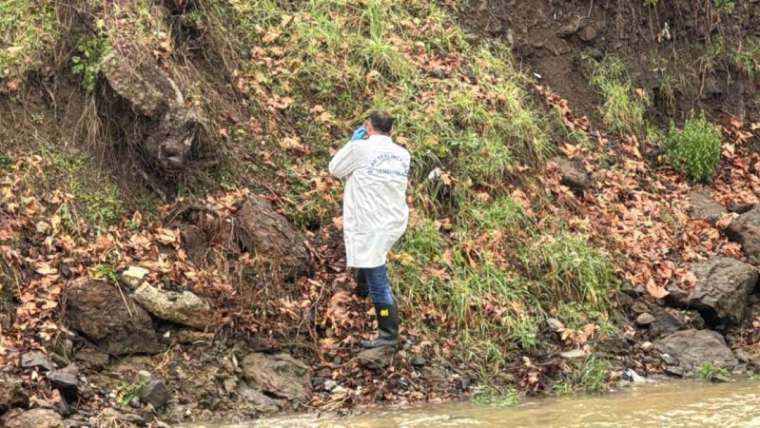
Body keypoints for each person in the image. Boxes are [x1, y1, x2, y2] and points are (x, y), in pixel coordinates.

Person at [328, 111, 410, 348]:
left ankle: (388, 332)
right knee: (372, 255)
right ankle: (361, 288)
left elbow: (335, 169)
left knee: (378, 279)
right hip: (392, 221)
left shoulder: (360, 148)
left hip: (371, 223)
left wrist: (353, 143)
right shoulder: (403, 154)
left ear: (368, 127)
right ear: (390, 130)